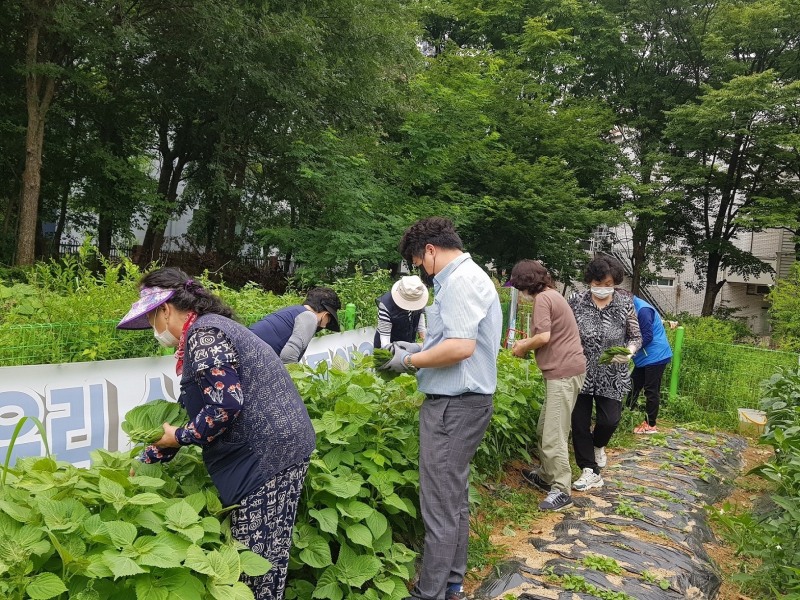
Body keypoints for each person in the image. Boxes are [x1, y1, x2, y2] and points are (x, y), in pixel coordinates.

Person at [117, 267, 316, 600]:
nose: (154, 327)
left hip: (266, 456)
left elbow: (224, 405)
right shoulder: (210, 330)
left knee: (254, 558)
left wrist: (177, 437)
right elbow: (195, 411)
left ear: (165, 310)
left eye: (152, 317)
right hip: (280, 448)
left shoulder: (204, 335)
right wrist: (151, 456)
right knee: (268, 550)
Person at [379, 217, 502, 600]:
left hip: (454, 406)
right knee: (454, 498)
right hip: (466, 402)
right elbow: (457, 342)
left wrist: (410, 363)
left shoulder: (460, 282)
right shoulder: (471, 277)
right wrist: (415, 349)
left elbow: (461, 348)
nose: (420, 270)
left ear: (430, 250)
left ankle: (429, 592)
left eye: (419, 262)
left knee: (439, 504)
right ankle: (451, 583)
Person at [508, 260, 586, 511]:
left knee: (554, 434)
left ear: (526, 283)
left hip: (562, 373)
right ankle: (546, 475)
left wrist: (521, 346)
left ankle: (562, 489)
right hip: (565, 371)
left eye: (519, 288)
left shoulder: (543, 299)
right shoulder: (554, 295)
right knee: (546, 427)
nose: (520, 294)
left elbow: (543, 337)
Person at [568, 256, 641, 492]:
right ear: (590, 281)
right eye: (597, 283)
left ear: (615, 281)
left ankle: (598, 445)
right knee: (578, 424)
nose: (602, 288)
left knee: (609, 420)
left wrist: (629, 352)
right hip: (580, 371)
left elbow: (635, 336)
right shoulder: (576, 301)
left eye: (607, 283)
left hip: (613, 373)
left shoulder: (624, 303)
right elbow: (564, 332)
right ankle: (589, 470)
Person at [248, 287, 341, 363]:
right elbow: (288, 356)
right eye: (329, 320)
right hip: (251, 357)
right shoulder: (310, 317)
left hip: (242, 351)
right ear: (326, 315)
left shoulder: (294, 310)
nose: (326, 325)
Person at [625, 296, 674, 434]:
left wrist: (629, 349)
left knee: (651, 390)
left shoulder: (643, 310)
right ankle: (625, 415)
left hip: (655, 356)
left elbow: (647, 336)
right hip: (643, 358)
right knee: (633, 386)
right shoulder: (632, 308)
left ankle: (650, 424)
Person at [374, 275, 429, 349]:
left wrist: (427, 346)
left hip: (408, 343)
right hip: (387, 346)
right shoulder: (386, 305)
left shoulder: (417, 295)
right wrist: (396, 354)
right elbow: (385, 342)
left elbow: (421, 328)